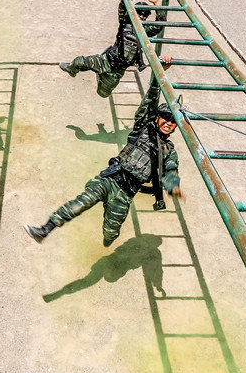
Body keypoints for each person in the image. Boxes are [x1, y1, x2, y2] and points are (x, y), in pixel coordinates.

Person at [26, 57, 184, 247]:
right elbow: (150, 99)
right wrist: (161, 71)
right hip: (108, 179)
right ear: (156, 117)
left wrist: (173, 186)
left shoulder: (169, 150)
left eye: (173, 121)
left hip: (125, 194)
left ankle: (109, 238)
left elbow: (171, 171)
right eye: (165, 117)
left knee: (110, 232)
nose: (168, 123)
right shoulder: (142, 127)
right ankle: (45, 229)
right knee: (82, 202)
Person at [58, 0, 165, 98]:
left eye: (144, 16)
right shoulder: (125, 22)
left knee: (103, 94)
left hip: (117, 71)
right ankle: (71, 69)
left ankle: (101, 76)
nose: (142, 17)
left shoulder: (144, 32)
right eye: (139, 14)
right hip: (105, 60)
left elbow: (159, 26)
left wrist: (156, 3)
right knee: (78, 62)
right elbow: (123, 6)